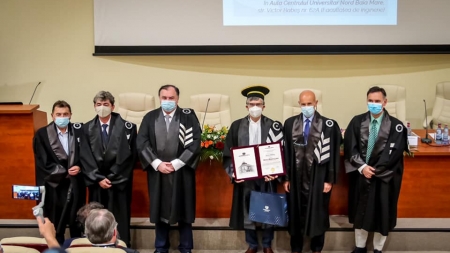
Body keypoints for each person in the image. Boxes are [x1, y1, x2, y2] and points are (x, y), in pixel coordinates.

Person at [136, 84, 201, 253]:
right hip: (158, 171)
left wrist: (177, 163)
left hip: (182, 171)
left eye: (171, 98)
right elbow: (141, 142)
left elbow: (195, 141)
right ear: (159, 98)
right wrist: (157, 163)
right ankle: (160, 246)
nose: (167, 101)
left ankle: (186, 247)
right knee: (159, 209)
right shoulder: (150, 117)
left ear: (178, 98)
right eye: (164, 98)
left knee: (184, 209)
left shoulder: (188, 116)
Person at [344, 86, 408, 253]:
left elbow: (394, 154)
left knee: (383, 213)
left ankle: (378, 249)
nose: (373, 104)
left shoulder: (396, 126)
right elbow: (351, 148)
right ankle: (360, 247)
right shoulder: (357, 122)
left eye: (377, 101)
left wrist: (376, 170)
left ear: (385, 102)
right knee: (361, 211)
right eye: (370, 101)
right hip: (361, 175)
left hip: (385, 178)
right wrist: (363, 167)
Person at [222, 86, 283, 253]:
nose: (255, 106)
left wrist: (276, 172)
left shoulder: (274, 126)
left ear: (264, 106)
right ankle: (252, 244)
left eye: (258, 103)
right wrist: (234, 173)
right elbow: (228, 152)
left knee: (267, 207)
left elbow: (281, 152)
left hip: (266, 176)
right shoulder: (236, 126)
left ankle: (268, 244)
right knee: (247, 209)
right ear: (246, 106)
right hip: (246, 176)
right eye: (251, 103)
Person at [283, 90, 342, 253]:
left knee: (318, 212)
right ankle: (296, 248)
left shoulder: (328, 125)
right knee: (295, 212)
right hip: (295, 177)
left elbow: (333, 154)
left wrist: (329, 179)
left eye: (310, 104)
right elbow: (286, 152)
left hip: (319, 177)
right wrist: (286, 178)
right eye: (303, 104)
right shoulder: (289, 124)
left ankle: (317, 248)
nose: (307, 107)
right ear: (298, 104)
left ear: (316, 103)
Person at [80, 91, 137, 247]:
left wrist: (112, 178)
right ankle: (96, 246)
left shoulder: (128, 128)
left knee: (120, 217)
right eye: (99, 105)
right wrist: (98, 178)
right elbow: (85, 156)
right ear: (94, 107)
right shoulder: (86, 128)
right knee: (96, 218)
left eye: (105, 104)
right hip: (97, 182)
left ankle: (122, 247)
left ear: (113, 106)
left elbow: (129, 158)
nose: (102, 107)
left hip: (119, 182)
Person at [33, 100, 86, 244]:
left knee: (77, 220)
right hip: (54, 186)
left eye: (65, 114)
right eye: (58, 114)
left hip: (76, 183)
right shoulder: (42, 135)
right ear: (52, 115)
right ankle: (57, 247)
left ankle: (76, 246)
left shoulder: (79, 131)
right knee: (56, 223)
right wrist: (64, 172)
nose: (62, 117)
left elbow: (87, 155)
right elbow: (42, 162)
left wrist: (80, 167)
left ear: (70, 115)